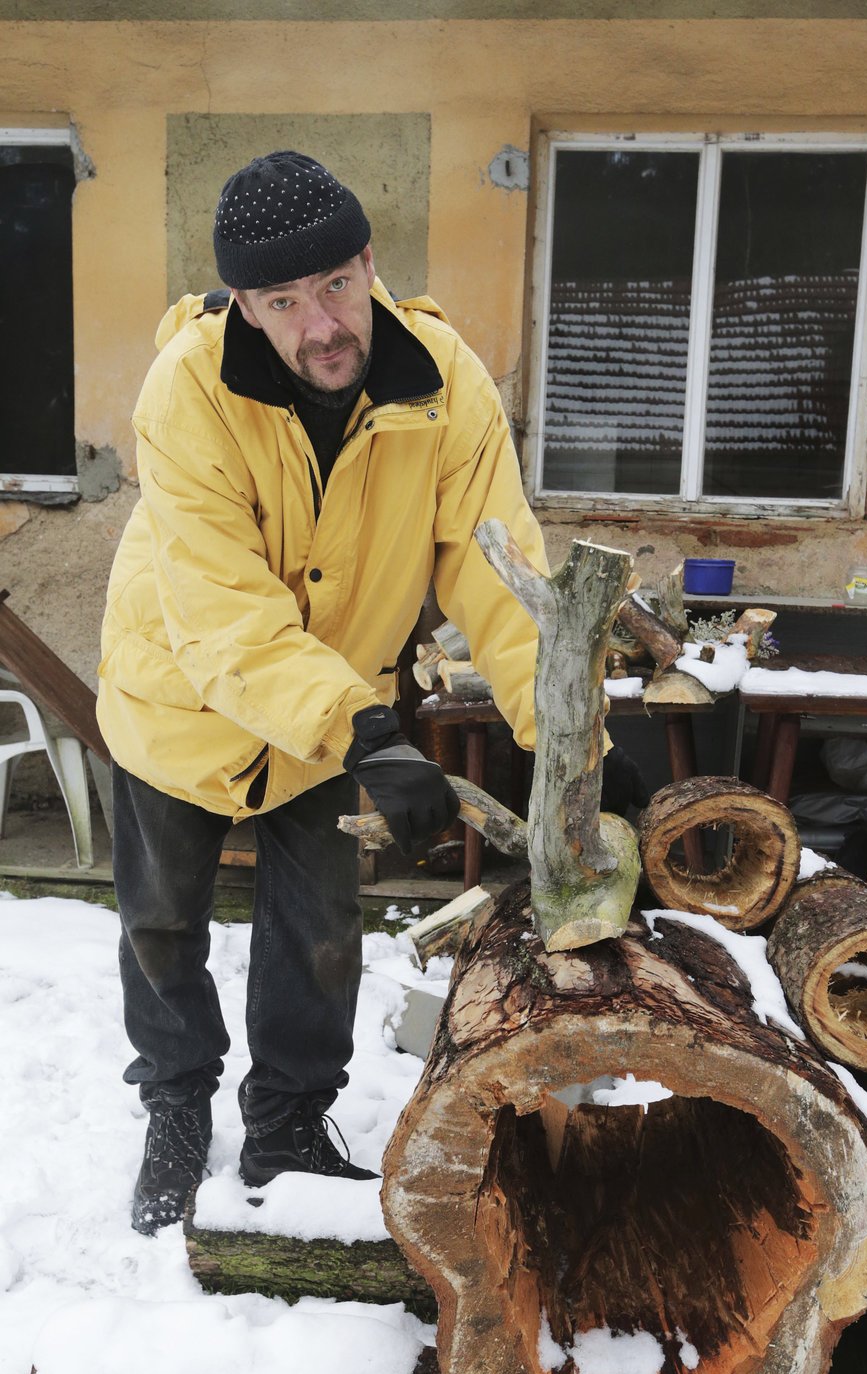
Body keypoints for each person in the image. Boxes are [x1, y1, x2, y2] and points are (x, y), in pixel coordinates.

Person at [97, 150, 585, 1235]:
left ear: (369, 264)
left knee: (318, 926)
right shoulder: (186, 393)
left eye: (334, 285)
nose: (320, 324)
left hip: (327, 715)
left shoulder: (444, 381)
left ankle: (286, 1120)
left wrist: (564, 729)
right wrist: (366, 731)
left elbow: (497, 563)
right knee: (163, 920)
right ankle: (176, 1105)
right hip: (182, 690)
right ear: (244, 305)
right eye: (283, 300)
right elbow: (224, 612)